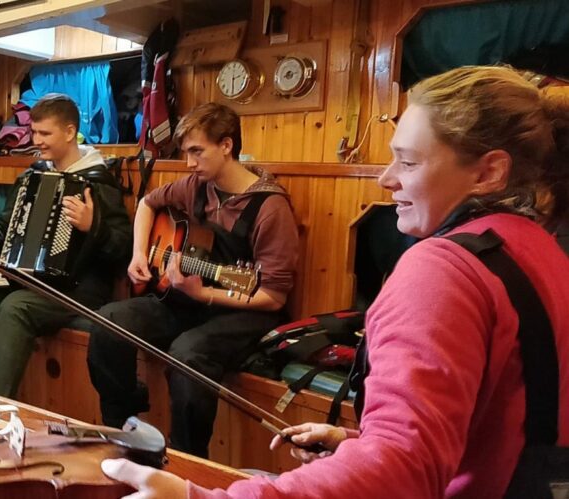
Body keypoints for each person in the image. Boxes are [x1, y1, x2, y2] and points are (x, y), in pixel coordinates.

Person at [100, 65, 569, 498]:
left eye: (407, 162)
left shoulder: (442, 270)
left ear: (489, 172)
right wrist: (357, 440)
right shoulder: (539, 248)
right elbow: (492, 421)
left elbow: (404, 468)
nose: (385, 178)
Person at [83, 103, 300, 458]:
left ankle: (186, 458)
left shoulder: (270, 208)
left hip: (244, 310)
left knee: (187, 355)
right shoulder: (196, 185)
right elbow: (148, 204)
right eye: (186, 153)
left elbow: (273, 297)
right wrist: (140, 254)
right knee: (109, 323)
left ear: (227, 146)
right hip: (189, 298)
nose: (189, 163)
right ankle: (122, 428)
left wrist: (208, 293)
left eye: (197, 151)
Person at [0, 93, 131, 398]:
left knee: (15, 307)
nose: (36, 140)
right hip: (28, 280)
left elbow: (122, 250)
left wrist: (94, 228)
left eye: (45, 133)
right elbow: (4, 229)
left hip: (78, 290)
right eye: (34, 132)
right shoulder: (34, 175)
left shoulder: (98, 182)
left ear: (69, 132)